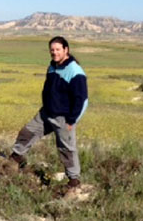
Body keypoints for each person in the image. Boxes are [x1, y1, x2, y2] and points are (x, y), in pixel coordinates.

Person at [6, 36, 88, 192]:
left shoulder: (75, 72)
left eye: (58, 49)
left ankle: (74, 180)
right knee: (27, 132)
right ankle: (15, 159)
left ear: (66, 50)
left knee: (66, 149)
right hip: (46, 113)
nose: (55, 53)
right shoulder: (52, 66)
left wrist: (72, 120)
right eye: (52, 50)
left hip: (63, 118)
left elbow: (82, 100)